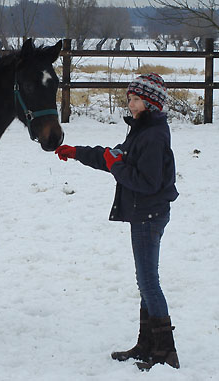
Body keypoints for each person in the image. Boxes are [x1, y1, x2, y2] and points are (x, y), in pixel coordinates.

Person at [55, 73, 179, 370]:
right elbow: (112, 157)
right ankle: (147, 344)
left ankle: (165, 352)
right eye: (130, 98)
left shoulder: (152, 136)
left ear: (151, 103)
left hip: (149, 213)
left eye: (136, 99)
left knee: (149, 282)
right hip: (145, 213)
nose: (131, 103)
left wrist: (117, 166)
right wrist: (77, 153)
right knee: (145, 282)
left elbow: (146, 182)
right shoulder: (141, 131)